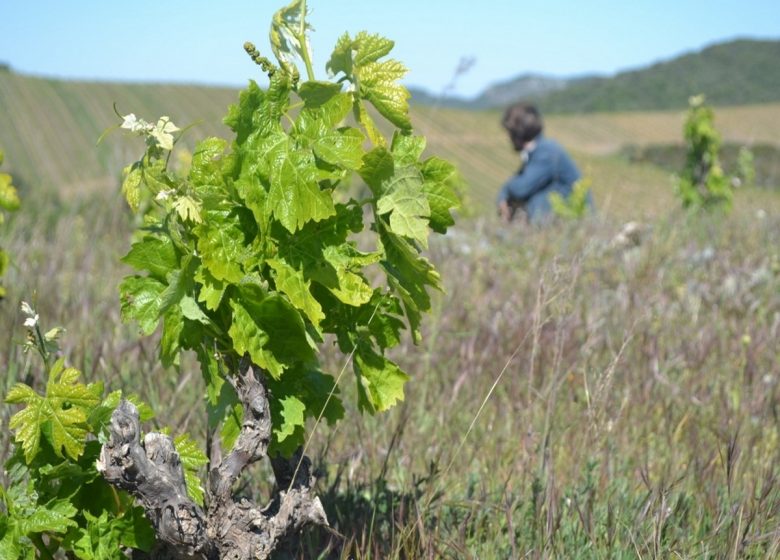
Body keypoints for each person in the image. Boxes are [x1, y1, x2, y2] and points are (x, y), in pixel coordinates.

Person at [496, 102, 591, 223]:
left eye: (510, 133)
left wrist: (505, 191)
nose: (509, 138)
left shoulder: (546, 152)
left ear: (517, 133)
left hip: (573, 223)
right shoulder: (538, 152)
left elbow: (520, 188)